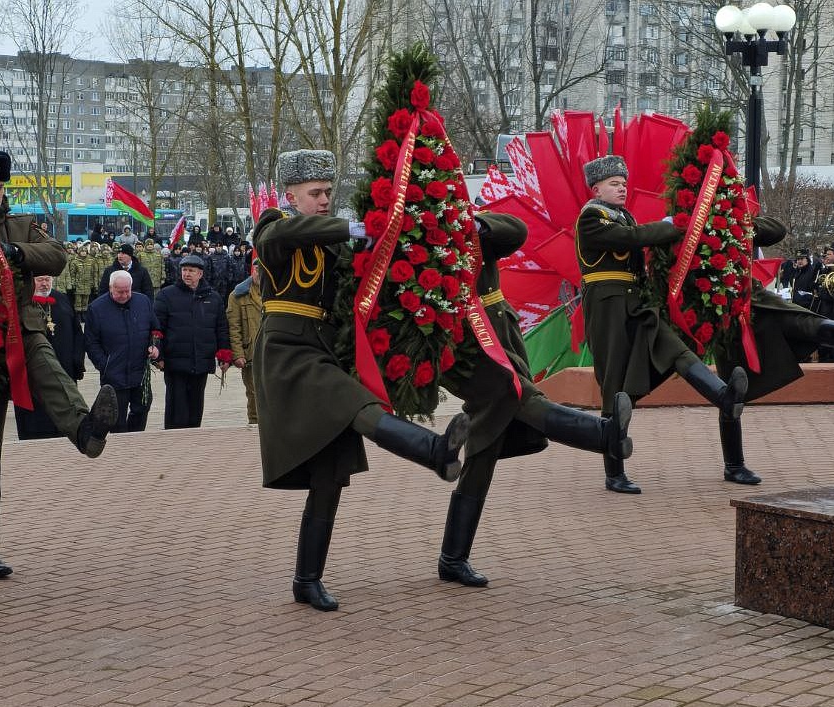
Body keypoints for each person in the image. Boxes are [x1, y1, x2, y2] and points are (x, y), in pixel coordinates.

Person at [254, 149, 469, 611]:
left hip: (324, 349)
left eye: (328, 192)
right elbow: (293, 233)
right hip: (287, 352)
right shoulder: (273, 227)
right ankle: (433, 451)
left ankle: (306, 580)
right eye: (315, 193)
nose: (324, 200)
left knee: (329, 474)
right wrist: (358, 228)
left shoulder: (331, 243)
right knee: (357, 405)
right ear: (290, 195)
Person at [436, 210, 632, 586]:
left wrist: (475, 224)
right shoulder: (414, 241)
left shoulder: (470, 232)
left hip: (500, 341)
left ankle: (452, 558)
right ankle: (603, 435)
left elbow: (516, 231)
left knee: (484, 447)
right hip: (464, 351)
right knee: (518, 396)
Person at [0, 148, 118, 579]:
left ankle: (86, 430)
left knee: (51, 369)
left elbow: (56, 255)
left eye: (0, 187)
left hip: (24, 326)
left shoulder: (21, 224)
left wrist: (15, 251)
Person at [576, 155, 746, 494]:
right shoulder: (591, 218)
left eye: (624, 183)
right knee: (615, 383)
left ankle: (724, 396)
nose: (622, 188)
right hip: (608, 307)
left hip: (636, 302)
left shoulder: (622, 216)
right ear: (596, 189)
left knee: (673, 347)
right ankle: (614, 472)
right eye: (614, 184)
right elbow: (632, 238)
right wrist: (675, 224)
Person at [710, 218, 834, 484]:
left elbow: (776, 231)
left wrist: (739, 217)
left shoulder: (727, 222)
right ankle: (733, 465)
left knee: (800, 319)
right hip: (718, 311)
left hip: (752, 298)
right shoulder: (687, 229)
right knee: (731, 391)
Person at [153, 254, 231, 429]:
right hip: (175, 363)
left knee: (195, 409)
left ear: (200, 274)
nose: (187, 274)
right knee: (177, 410)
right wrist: (158, 356)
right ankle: (174, 440)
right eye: (184, 270)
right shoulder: (166, 295)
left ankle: (193, 439)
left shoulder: (214, 298)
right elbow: (157, 328)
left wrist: (224, 355)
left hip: (201, 361)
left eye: (191, 271)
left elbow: (221, 329)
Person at [85, 269, 160, 432]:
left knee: (142, 408)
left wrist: (155, 347)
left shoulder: (143, 302)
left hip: (140, 372)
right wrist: (105, 364)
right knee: (116, 418)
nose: (125, 295)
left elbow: (155, 330)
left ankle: (135, 439)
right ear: (110, 288)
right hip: (114, 373)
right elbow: (91, 343)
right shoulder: (96, 308)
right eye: (120, 292)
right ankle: (119, 444)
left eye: (128, 291)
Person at [14, 274, 86, 440]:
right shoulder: (22, 303)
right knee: (37, 420)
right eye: (40, 280)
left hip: (65, 367)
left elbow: (78, 333)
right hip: (35, 372)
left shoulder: (62, 299)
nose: (44, 284)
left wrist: (77, 362)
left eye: (47, 280)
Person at [227, 259, 263, 424]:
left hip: (274, 353)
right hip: (251, 353)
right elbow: (234, 328)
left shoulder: (278, 293)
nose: (260, 274)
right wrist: (238, 354)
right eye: (257, 270)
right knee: (254, 393)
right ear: (252, 271)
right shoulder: (238, 295)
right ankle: (254, 425)